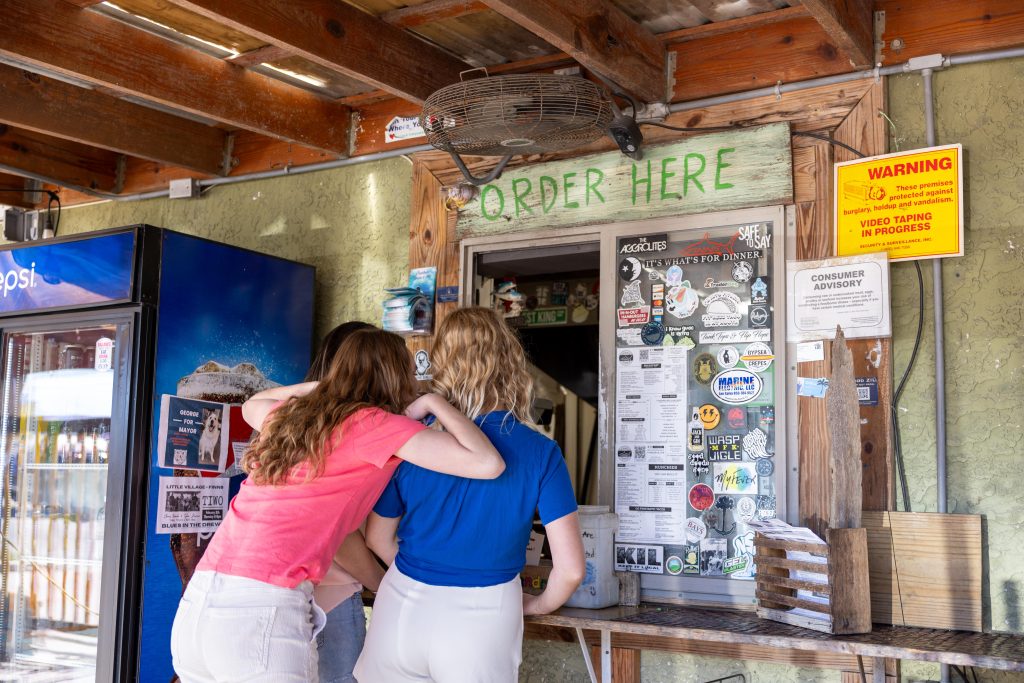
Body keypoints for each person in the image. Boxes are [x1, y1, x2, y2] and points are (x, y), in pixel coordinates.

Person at [169, 328, 505, 683]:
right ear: (396, 377)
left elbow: (253, 403)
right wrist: (435, 402)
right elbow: (488, 463)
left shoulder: (294, 420)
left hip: (199, 605)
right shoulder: (376, 425)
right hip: (259, 611)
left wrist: (320, 390)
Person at [355, 307, 585, 683]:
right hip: (484, 614)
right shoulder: (540, 453)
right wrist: (535, 605)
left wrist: (424, 578)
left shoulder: (415, 440)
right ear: (510, 362)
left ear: (443, 363)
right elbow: (571, 570)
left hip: (400, 606)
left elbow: (377, 537)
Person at [305, 321, 381, 683]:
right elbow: (338, 534)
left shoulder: (291, 422)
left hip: (280, 598)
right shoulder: (352, 431)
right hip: (331, 598)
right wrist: (384, 584)